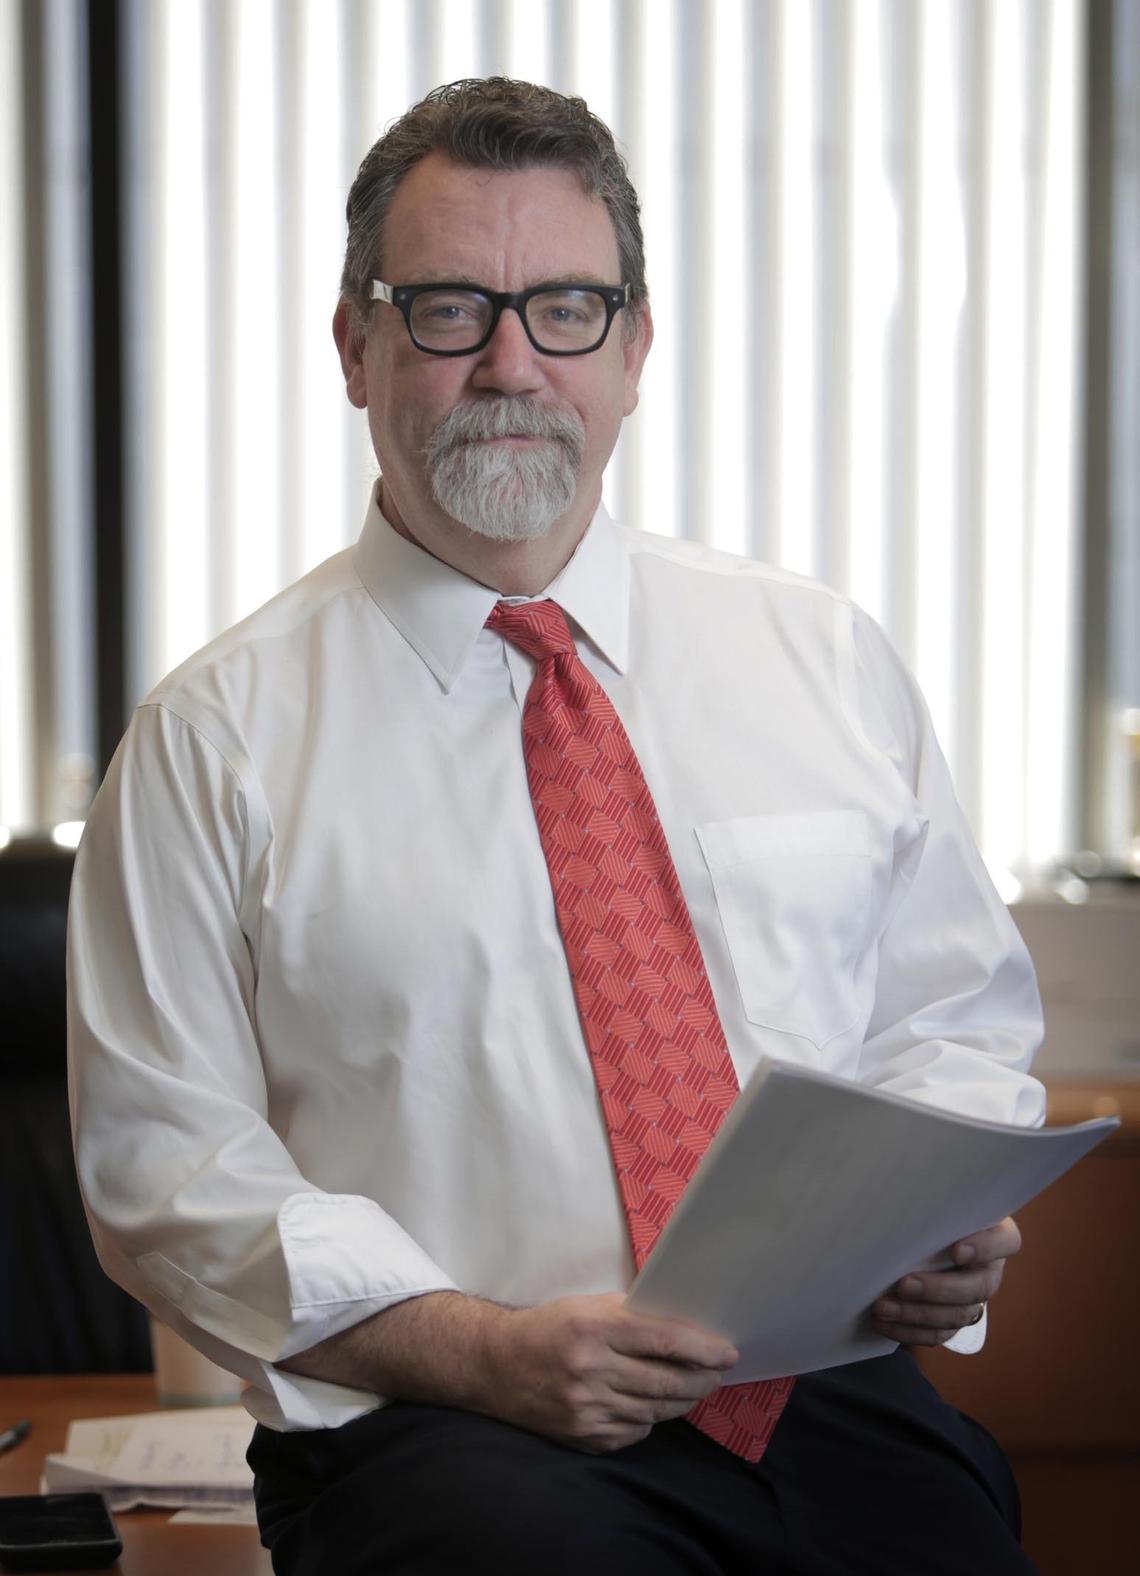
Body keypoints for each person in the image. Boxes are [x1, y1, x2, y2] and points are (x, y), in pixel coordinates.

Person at [68, 78, 1044, 1574]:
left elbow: (955, 1024)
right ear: (356, 346)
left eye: (569, 308)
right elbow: (166, 1173)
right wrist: (483, 1352)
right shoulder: (214, 739)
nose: (513, 363)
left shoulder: (819, 657)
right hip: (445, 1437)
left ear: (637, 349)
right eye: (450, 310)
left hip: (826, 1401)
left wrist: (941, 1222)